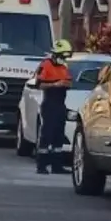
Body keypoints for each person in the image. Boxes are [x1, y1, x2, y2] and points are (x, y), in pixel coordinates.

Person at [33, 39, 73, 175]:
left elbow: (69, 82)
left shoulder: (63, 67)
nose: (64, 59)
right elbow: (39, 84)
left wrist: (65, 84)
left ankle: (57, 166)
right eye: (62, 56)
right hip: (49, 103)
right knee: (47, 135)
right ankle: (41, 165)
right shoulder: (46, 65)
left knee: (58, 136)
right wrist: (55, 84)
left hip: (61, 104)